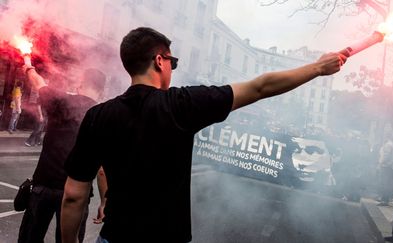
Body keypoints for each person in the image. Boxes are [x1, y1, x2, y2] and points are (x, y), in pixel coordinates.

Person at [60, 27, 346, 243]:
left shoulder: (98, 116)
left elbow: (74, 196)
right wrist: (318, 68)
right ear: (160, 61)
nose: (173, 68)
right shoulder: (182, 105)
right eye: (173, 61)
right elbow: (260, 87)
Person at [18, 66, 108, 243]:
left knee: (30, 238)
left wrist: (28, 67)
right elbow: (102, 169)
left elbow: (38, 83)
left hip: (43, 187)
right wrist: (104, 202)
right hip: (77, 193)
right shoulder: (103, 116)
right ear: (102, 90)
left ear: (80, 84)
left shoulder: (62, 101)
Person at [377, 132, 393, 206]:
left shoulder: (388, 145)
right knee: (385, 183)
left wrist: (380, 163)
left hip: (386, 166)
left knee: (384, 183)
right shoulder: (391, 144)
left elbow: (386, 155)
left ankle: (384, 200)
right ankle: (384, 199)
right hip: (387, 166)